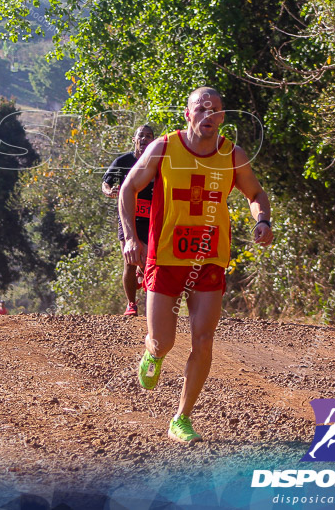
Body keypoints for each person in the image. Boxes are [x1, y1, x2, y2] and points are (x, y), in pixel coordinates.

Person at [118, 86, 273, 444]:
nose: (209, 115)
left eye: (216, 110)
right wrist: (130, 237)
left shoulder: (233, 155)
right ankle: (152, 353)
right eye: (201, 109)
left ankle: (181, 418)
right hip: (167, 256)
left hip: (209, 257)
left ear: (222, 116)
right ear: (188, 114)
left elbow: (255, 194)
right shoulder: (165, 148)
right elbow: (128, 189)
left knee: (203, 340)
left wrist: (262, 219)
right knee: (163, 341)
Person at [102, 125, 156, 316]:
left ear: (153, 141)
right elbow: (106, 182)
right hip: (128, 216)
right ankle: (131, 304)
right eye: (141, 135)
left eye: (149, 136)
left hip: (151, 217)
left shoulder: (157, 163)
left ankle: (153, 304)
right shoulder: (123, 161)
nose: (144, 139)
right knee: (130, 261)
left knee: (151, 261)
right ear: (135, 139)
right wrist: (110, 192)